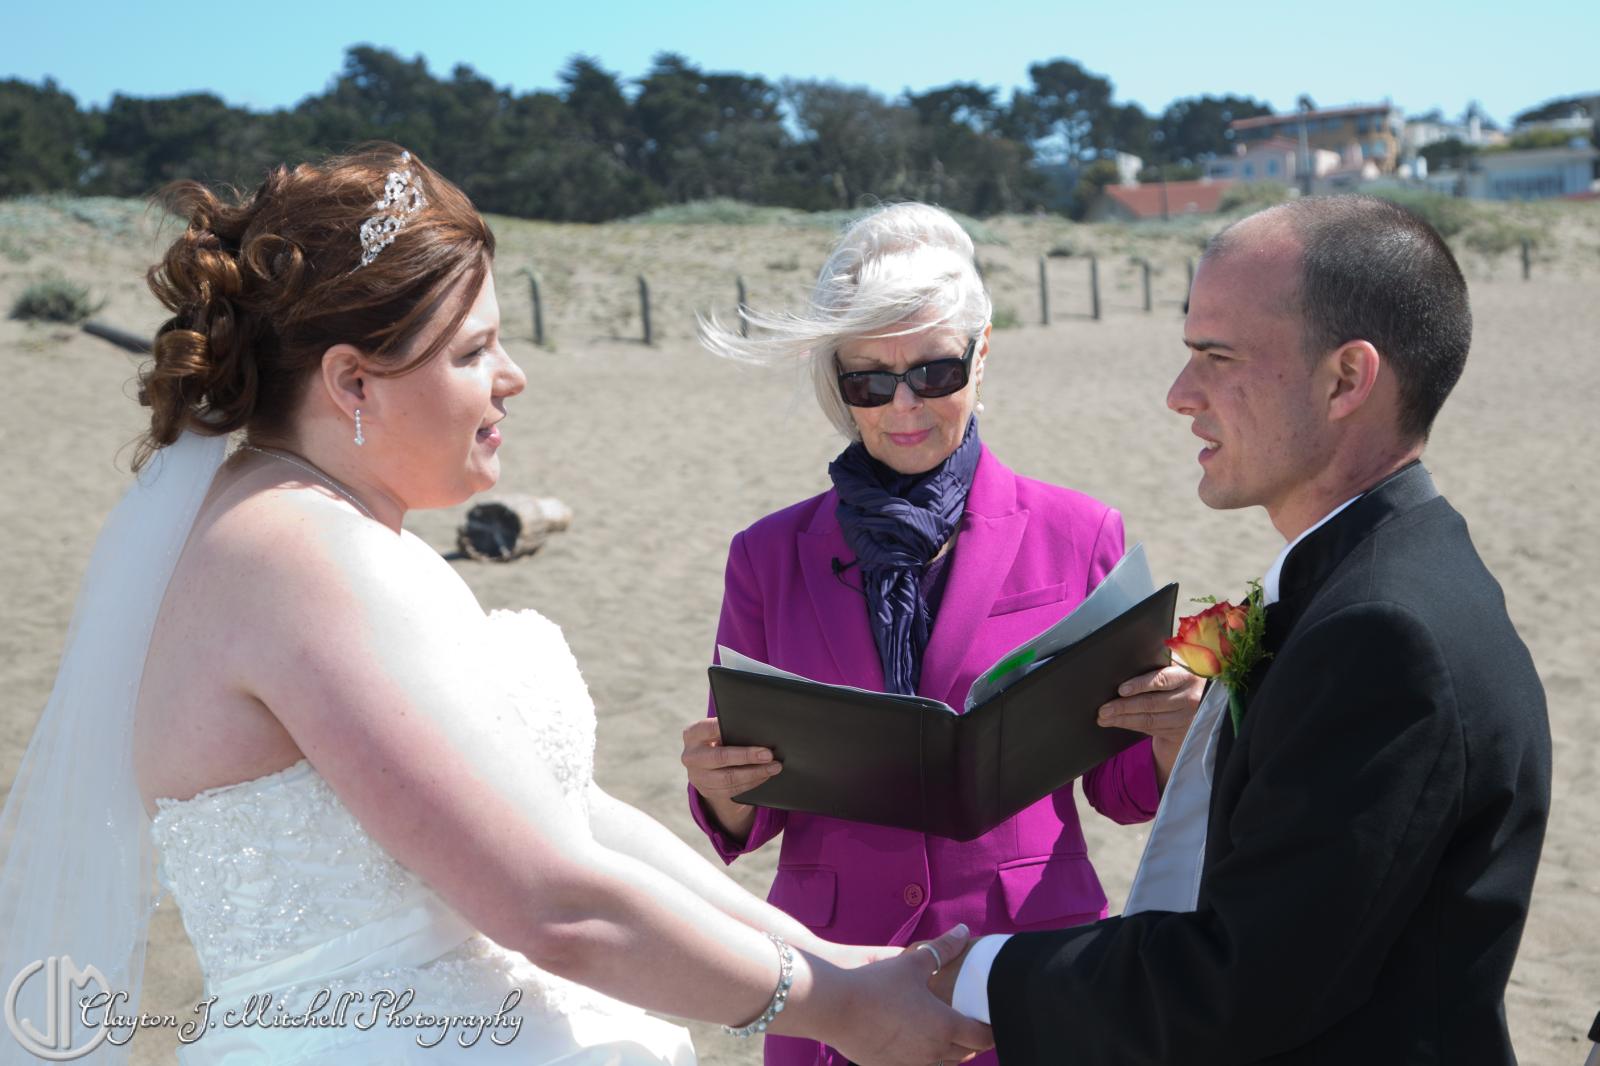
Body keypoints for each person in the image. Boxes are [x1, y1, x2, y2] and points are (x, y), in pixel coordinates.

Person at [0, 147, 992, 1066]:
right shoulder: (296, 556)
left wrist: (827, 955)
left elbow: (567, 815)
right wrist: (829, 1005)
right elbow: (550, 900)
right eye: (474, 351)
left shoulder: (332, 530)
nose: (513, 378)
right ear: (352, 381)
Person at [934, 196, 1553, 1064]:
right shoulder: (1382, 574)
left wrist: (966, 975)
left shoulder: (1381, 632)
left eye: (1215, 357)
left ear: (1346, 380)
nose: (1179, 395)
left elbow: (1238, 987)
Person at [681, 202, 1204, 1066]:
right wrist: (722, 784)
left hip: (1029, 959)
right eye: (867, 381)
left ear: (982, 352)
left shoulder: (1079, 532)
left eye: (933, 372)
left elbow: (1120, 792)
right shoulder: (767, 556)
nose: (903, 408)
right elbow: (746, 816)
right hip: (835, 977)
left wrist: (1171, 727)